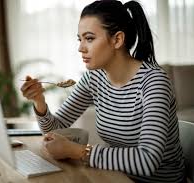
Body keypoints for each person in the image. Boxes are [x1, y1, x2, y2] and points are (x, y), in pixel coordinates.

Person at [20, 0, 185, 182]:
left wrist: (76, 151)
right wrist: (39, 101)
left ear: (117, 40)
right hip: (116, 177)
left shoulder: (153, 82)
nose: (81, 48)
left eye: (89, 38)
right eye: (80, 39)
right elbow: (56, 129)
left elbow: (147, 160)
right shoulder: (94, 78)